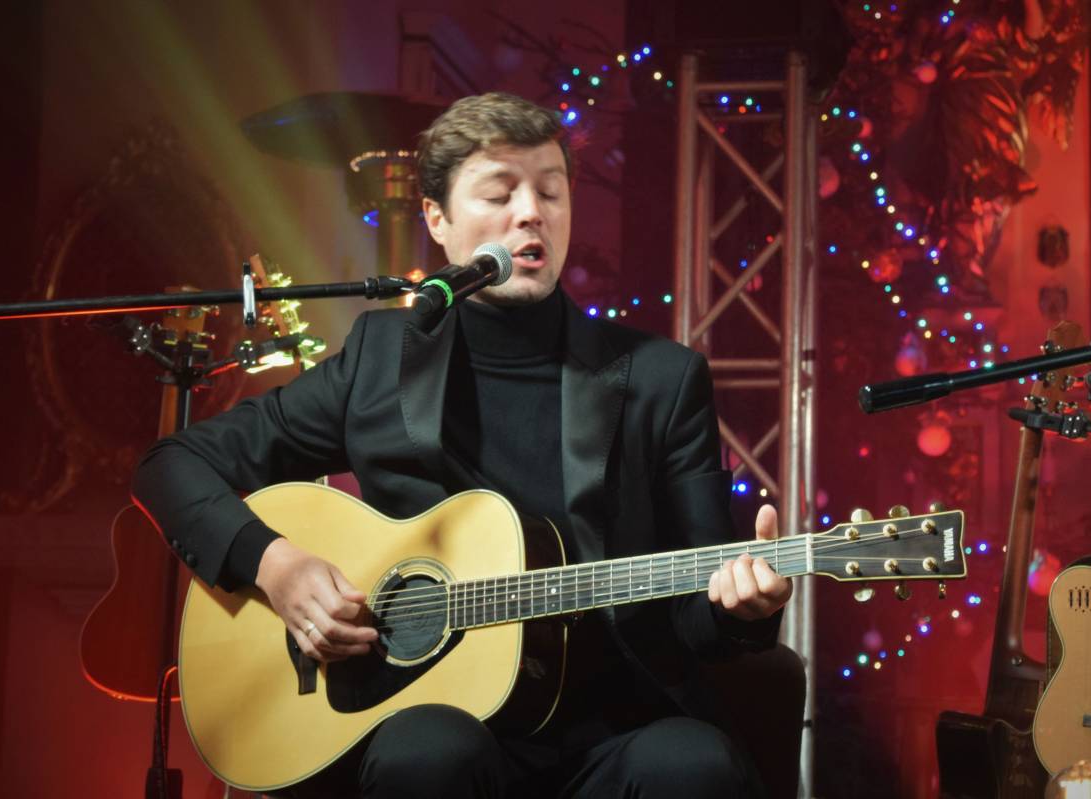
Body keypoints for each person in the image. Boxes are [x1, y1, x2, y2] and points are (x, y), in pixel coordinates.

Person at [133, 91, 793, 798]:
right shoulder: (380, 360)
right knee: (432, 752)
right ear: (437, 220)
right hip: (419, 717)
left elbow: (698, 608)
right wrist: (277, 566)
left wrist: (742, 610)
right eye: (500, 194)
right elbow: (171, 464)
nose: (531, 213)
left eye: (550, 191)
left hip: (609, 733)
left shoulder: (662, 379)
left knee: (694, 765)